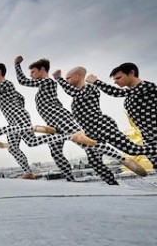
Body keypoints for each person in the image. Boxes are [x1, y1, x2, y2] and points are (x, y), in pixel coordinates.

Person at [14, 56, 146, 181]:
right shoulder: (44, 85)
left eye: (32, 72)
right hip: (52, 122)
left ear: (42, 70)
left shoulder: (47, 82)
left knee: (86, 143)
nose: (31, 75)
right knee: (56, 153)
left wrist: (17, 64)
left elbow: (22, 81)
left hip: (59, 117)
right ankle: (70, 179)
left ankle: (123, 159)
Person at [0, 63, 86, 179]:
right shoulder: (8, 88)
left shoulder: (5, 84)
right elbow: (21, 98)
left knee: (31, 141)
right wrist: (18, 109)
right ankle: (28, 173)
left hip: (18, 118)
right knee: (13, 148)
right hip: (14, 121)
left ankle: (65, 136)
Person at [55, 66, 156, 182]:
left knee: (132, 149)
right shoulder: (130, 96)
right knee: (94, 161)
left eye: (68, 78)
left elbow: (115, 92)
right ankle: (113, 184)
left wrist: (59, 79)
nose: (66, 81)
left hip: (101, 125)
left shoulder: (90, 88)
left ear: (79, 76)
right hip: (91, 131)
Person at [86, 62, 157, 168]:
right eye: (114, 79)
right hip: (148, 137)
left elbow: (117, 93)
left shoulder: (148, 87)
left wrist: (96, 82)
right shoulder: (131, 95)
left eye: (118, 78)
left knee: (131, 149)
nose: (115, 82)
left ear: (131, 73)